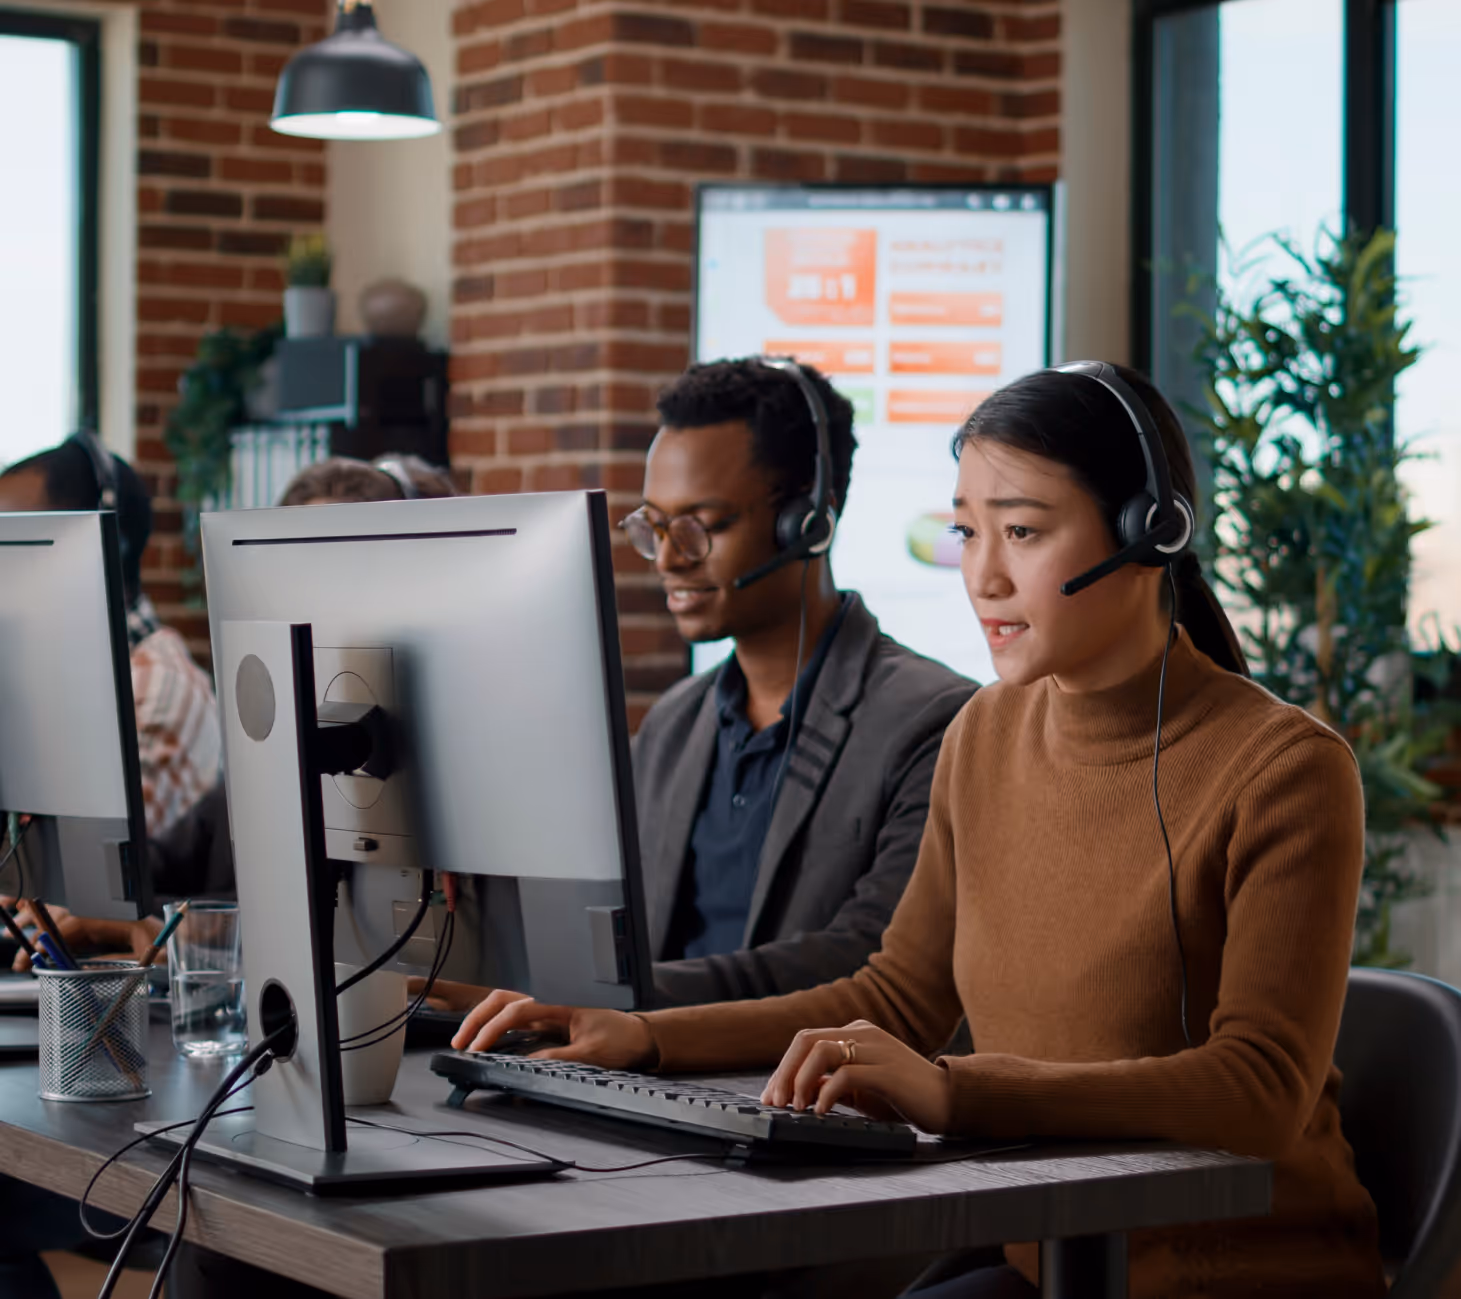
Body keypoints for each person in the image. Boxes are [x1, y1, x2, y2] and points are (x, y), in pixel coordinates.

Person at [455, 364, 1388, 1298]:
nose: (981, 574)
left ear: (1151, 530)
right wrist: (646, 1035)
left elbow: (1261, 1091)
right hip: (1046, 1252)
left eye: (1022, 531)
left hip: (1241, 1270)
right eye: (966, 531)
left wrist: (956, 1089)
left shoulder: (1284, 769)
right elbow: (896, 993)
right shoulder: (985, 731)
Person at [621, 358, 974, 1007]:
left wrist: (627, 1002)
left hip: (804, 1088)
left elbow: (866, 958)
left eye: (703, 525)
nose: (670, 557)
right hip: (639, 1074)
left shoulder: (935, 721)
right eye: (656, 526)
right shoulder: (672, 724)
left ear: (807, 522)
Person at [0, 436, 221, 837]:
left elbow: (97, 870)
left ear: (105, 550)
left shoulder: (154, 687)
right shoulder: (54, 672)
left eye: (22, 548)